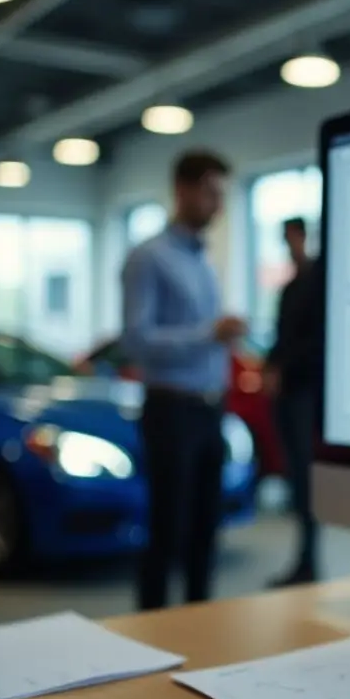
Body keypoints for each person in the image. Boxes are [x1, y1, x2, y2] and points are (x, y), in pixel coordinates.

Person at [122, 149, 247, 609]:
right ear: (183, 189)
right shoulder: (148, 258)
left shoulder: (202, 262)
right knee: (167, 532)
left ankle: (200, 626)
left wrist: (219, 338)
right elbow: (135, 340)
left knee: (205, 533)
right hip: (170, 410)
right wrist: (207, 333)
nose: (218, 205)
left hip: (211, 408)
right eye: (212, 193)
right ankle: (150, 629)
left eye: (222, 196)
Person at [263, 217, 324, 587]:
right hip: (285, 395)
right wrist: (270, 367)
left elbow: (316, 341)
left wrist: (284, 368)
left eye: (292, 238)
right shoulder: (288, 289)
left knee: (307, 479)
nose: (290, 245)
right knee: (296, 479)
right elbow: (280, 337)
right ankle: (304, 561)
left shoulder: (319, 283)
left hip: (306, 394)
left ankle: (309, 561)